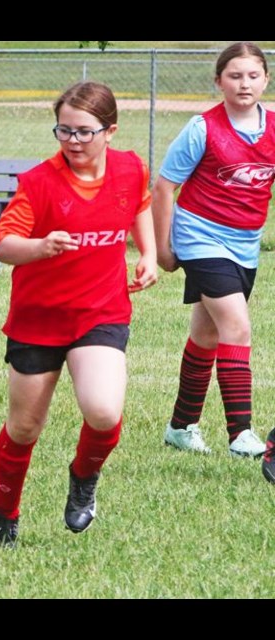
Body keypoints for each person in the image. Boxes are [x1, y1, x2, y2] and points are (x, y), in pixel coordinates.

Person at [0, 81, 158, 547]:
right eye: (64, 131)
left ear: (110, 131)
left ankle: (83, 478)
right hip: (38, 318)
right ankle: (3, 512)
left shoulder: (129, 167)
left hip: (101, 312)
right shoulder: (40, 182)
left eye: (84, 132)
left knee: (103, 411)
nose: (73, 142)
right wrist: (39, 247)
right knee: (24, 428)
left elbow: (140, 204)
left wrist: (149, 253)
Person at [153, 42, 273, 469]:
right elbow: (164, 186)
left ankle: (180, 426)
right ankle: (241, 432)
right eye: (234, 75)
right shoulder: (202, 128)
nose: (244, 83)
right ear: (219, 80)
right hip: (200, 237)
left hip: (245, 243)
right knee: (236, 326)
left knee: (207, 334)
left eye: (253, 75)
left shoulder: (274, 126)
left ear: (266, 79)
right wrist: (165, 247)